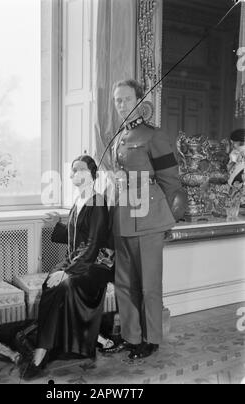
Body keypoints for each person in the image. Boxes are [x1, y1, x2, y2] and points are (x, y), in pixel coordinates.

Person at [102, 79, 186, 360]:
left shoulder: (154, 136)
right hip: (123, 218)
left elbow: (171, 182)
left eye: (126, 99)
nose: (121, 105)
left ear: (140, 101)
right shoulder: (119, 137)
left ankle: (150, 339)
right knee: (124, 284)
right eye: (117, 100)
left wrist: (167, 221)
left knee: (149, 284)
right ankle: (131, 336)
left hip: (148, 219)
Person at [22, 155, 115, 380]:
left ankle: (41, 352)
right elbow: (77, 237)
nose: (73, 174)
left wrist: (68, 272)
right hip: (78, 259)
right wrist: (58, 225)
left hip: (97, 264)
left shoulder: (98, 202)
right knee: (50, 283)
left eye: (79, 170)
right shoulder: (79, 200)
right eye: (72, 171)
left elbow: (93, 246)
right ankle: (60, 342)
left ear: (91, 174)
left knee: (62, 285)